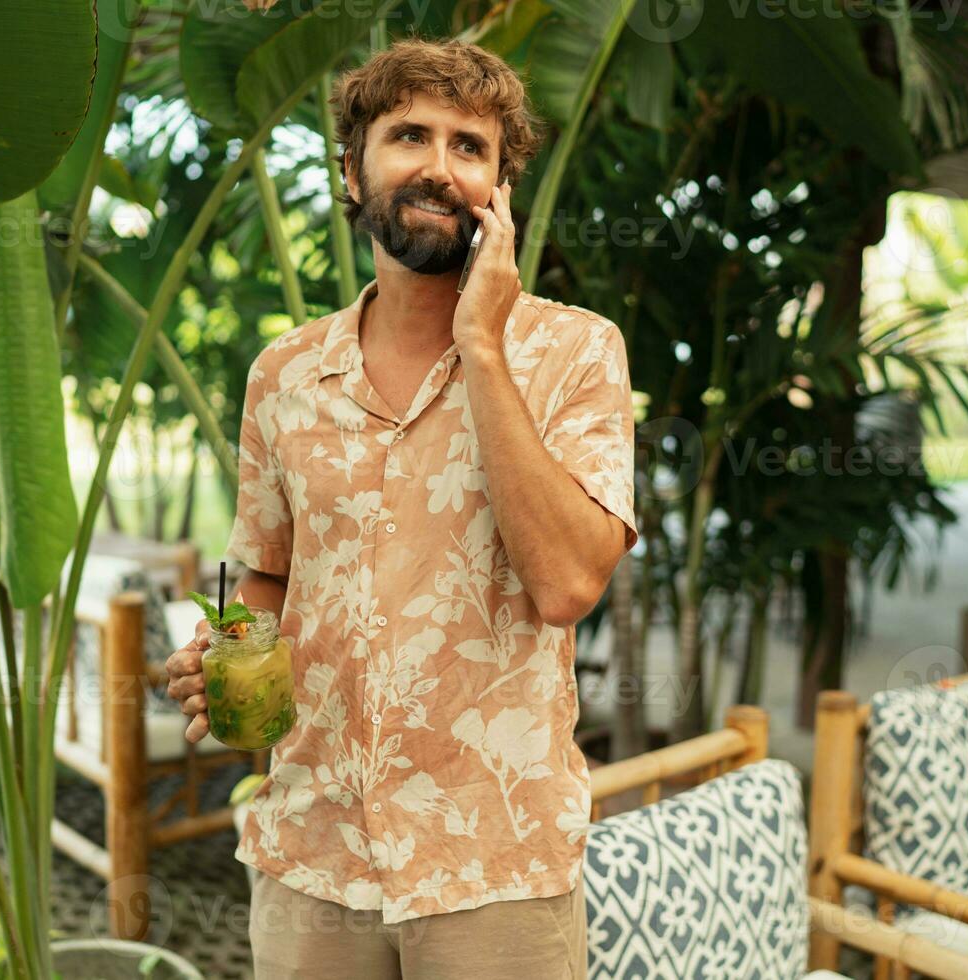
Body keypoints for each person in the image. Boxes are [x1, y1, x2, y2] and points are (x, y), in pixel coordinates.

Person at [164, 36, 638, 980]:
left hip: (494, 867)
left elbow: (569, 582)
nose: (438, 164)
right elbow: (265, 574)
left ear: (501, 189)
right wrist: (229, 653)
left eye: (471, 146)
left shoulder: (577, 355)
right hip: (311, 854)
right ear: (352, 168)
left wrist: (484, 349)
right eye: (408, 134)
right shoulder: (285, 374)